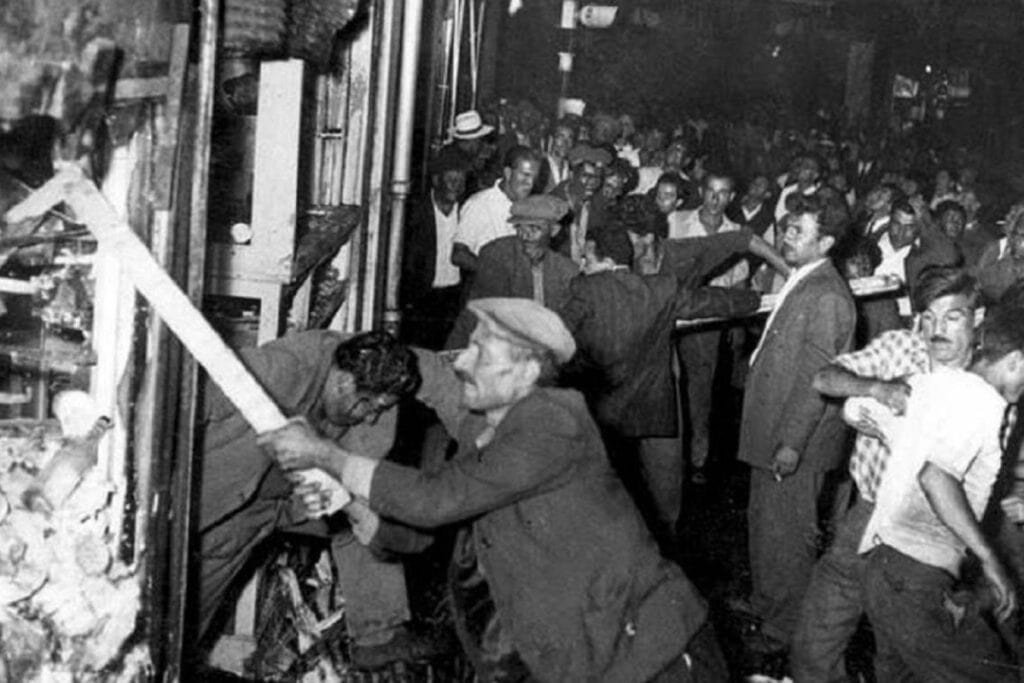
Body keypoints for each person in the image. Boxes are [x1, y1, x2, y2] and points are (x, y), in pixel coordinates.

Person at [260, 298, 730, 682]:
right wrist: (357, 512)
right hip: (575, 654)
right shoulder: (488, 435)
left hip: (649, 655)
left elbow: (436, 499)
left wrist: (327, 456)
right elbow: (428, 533)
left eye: (479, 352)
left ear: (525, 371)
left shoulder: (553, 421)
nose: (460, 362)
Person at [791, 266, 982, 681]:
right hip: (868, 515)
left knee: (901, 654)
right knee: (818, 634)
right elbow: (825, 376)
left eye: (953, 317)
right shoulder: (901, 346)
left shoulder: (989, 374)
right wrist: (878, 389)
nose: (938, 330)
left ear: (976, 317)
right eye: (929, 317)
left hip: (934, 535)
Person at [196, 331, 427, 669]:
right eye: (368, 405)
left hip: (238, 531)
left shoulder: (358, 415)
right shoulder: (283, 370)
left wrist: (294, 509)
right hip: (185, 505)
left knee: (169, 636)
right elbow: (184, 390)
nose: (371, 418)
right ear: (343, 383)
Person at [560, 206, 784, 546]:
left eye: (588, 259)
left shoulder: (584, 290)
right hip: (655, 406)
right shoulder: (662, 289)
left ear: (605, 261)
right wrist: (759, 299)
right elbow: (717, 302)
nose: (582, 265)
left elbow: (555, 338)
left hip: (603, 412)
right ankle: (666, 547)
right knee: (666, 489)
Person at [854, 304, 1024, 682]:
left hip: (885, 569)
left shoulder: (940, 383)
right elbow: (936, 478)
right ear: (1015, 360)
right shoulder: (982, 402)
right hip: (915, 581)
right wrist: (989, 559)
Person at [738, 194, 856, 655]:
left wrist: (791, 443)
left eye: (797, 231)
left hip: (794, 440)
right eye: (786, 227)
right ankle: (766, 603)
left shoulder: (826, 294)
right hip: (774, 429)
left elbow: (816, 380)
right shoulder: (806, 280)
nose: (785, 236)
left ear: (825, 241)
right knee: (767, 525)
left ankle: (784, 629)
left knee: (787, 536)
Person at [670, 171, 749, 482]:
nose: (716, 200)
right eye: (711, 192)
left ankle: (697, 456)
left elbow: (740, 279)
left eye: (724, 193)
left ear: (731, 197)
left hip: (708, 319)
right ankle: (670, 454)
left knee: (700, 386)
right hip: (671, 311)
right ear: (701, 192)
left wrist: (737, 323)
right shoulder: (677, 221)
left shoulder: (737, 232)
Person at [447, 195, 578, 348]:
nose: (524, 235)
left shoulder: (567, 270)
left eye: (534, 228)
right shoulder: (497, 254)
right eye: (519, 227)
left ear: (554, 230)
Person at [400, 148, 469, 349]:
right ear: (436, 180)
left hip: (455, 298)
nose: (457, 187)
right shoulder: (413, 213)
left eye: (461, 182)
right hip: (422, 299)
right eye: (452, 181)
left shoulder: (467, 211)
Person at [450, 145, 540, 272]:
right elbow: (458, 254)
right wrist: (493, 273)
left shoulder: (531, 208)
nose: (530, 183)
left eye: (534, 177)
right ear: (508, 173)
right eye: (525, 175)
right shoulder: (480, 204)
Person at [550, 143, 612, 264]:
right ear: (572, 175)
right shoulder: (553, 202)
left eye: (597, 177)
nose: (592, 182)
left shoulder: (598, 203)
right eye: (586, 176)